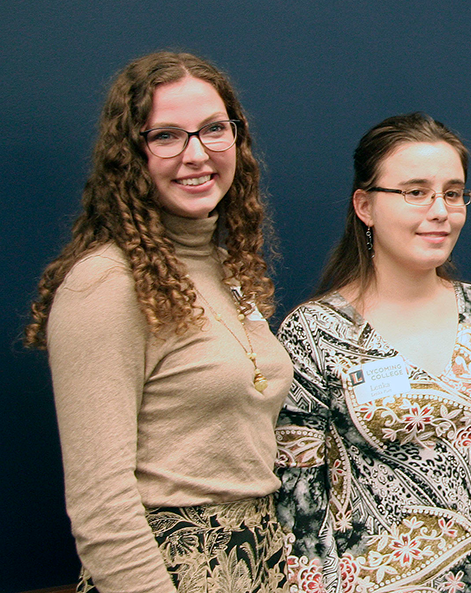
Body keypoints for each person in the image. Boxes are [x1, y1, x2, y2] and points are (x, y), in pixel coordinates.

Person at [25, 52, 292, 592]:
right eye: (166, 136)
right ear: (130, 154)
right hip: (166, 572)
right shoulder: (103, 284)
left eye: (214, 130)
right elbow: (102, 504)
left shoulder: (225, 270)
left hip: (259, 564)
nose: (197, 155)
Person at [274, 113, 471, 593]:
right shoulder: (316, 332)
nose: (440, 210)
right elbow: (299, 504)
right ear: (365, 205)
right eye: (415, 191)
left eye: (452, 192)